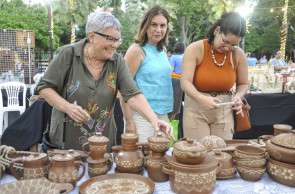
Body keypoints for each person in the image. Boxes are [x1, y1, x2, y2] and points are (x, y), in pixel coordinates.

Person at [35, 12, 174, 151]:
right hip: (66, 143)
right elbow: (44, 87)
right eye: (110, 39)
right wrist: (68, 108)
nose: (115, 45)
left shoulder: (117, 61)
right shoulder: (68, 54)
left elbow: (133, 95)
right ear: (92, 36)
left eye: (118, 39)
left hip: (104, 143)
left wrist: (154, 120)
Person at [180, 12, 248, 140]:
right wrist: (201, 99)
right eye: (225, 42)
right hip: (196, 108)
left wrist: (238, 96)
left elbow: (243, 84)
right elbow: (185, 82)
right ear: (217, 30)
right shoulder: (196, 49)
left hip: (224, 109)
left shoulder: (238, 54)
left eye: (233, 45)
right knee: (198, 153)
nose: (228, 48)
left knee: (222, 154)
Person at [119, 5, 174, 143]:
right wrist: (129, 121)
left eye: (163, 25)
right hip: (140, 116)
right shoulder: (136, 50)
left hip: (163, 115)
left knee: (160, 158)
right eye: (153, 24)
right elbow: (123, 89)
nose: (158, 30)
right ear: (145, 26)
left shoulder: (162, 50)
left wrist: (169, 110)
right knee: (141, 159)